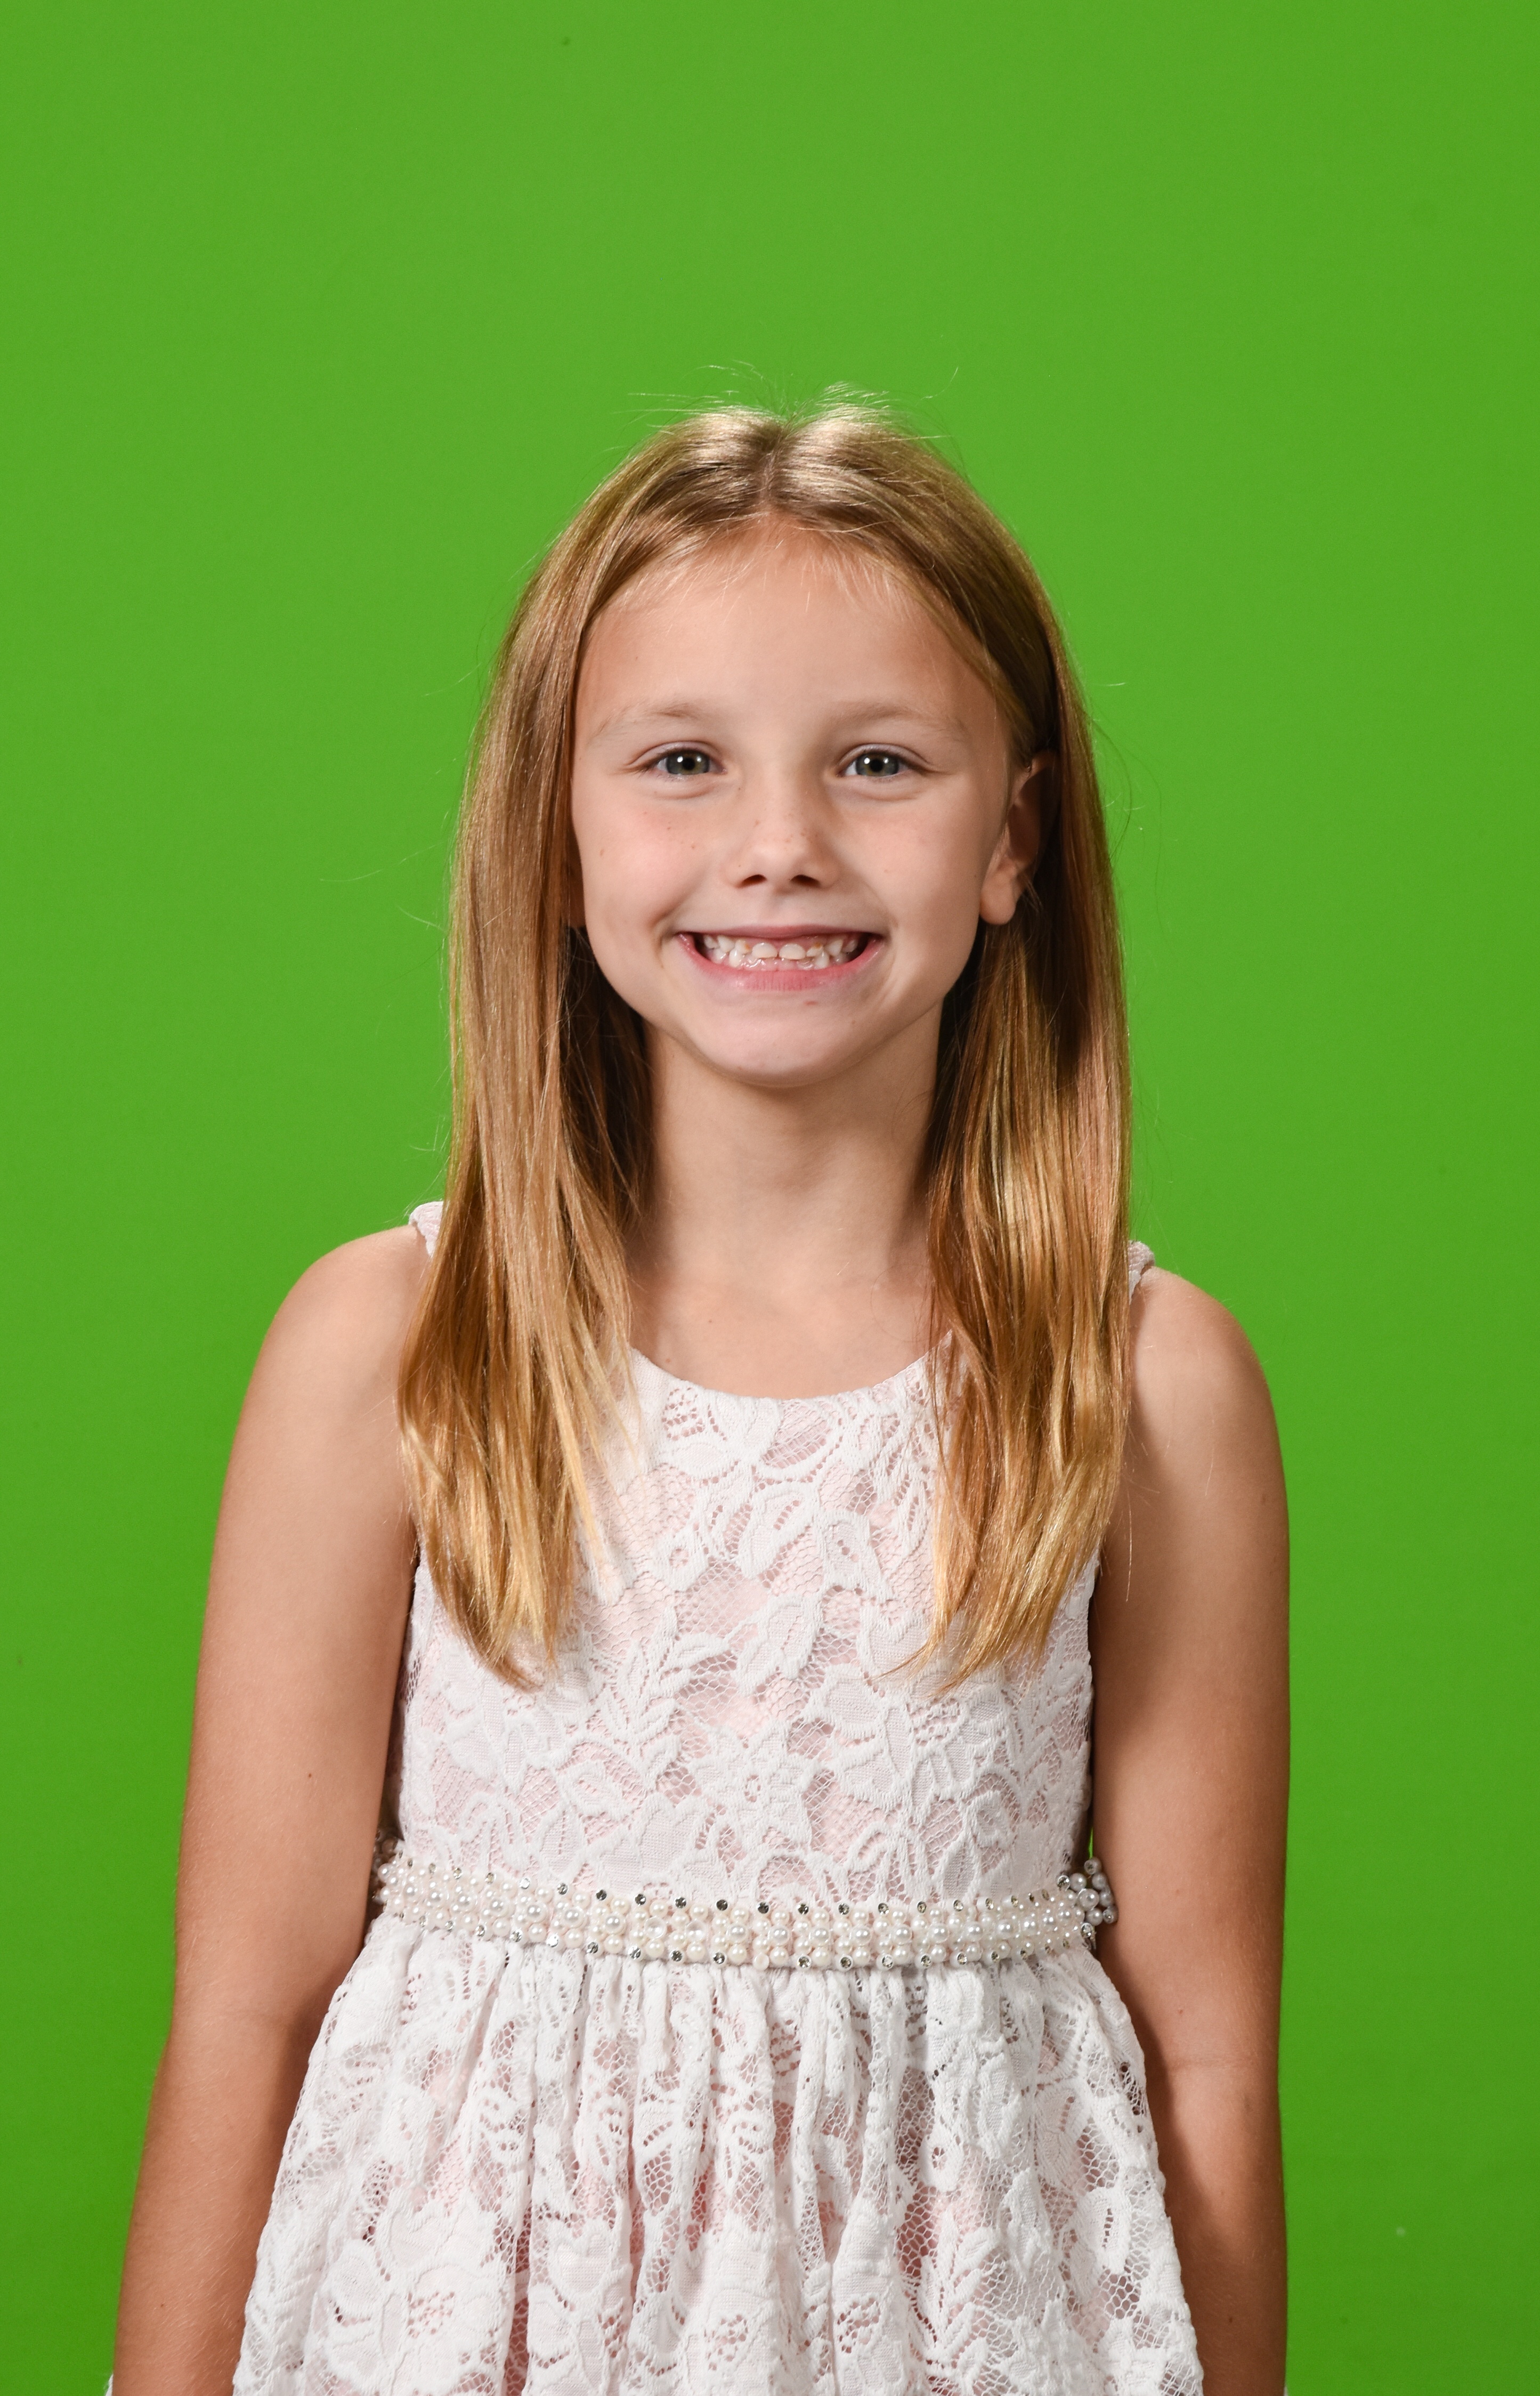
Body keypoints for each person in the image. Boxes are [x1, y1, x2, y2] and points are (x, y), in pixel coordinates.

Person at [112, 403, 1289, 2395]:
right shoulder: (392, 1348)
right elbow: (246, 2017)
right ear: (557, 832)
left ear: (1012, 840)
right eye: (682, 762)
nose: (779, 844)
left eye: (878, 764)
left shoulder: (1144, 1385)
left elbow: (1211, 2068)